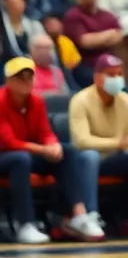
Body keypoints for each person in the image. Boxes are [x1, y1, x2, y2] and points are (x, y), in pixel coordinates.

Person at [0, 56, 101, 243]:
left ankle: (77, 215)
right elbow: (8, 142)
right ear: (8, 81)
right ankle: (25, 224)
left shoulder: (37, 101)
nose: (27, 82)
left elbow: (45, 132)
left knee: (66, 151)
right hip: (6, 156)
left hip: (30, 153)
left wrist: (52, 144)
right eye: (20, 77)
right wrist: (42, 149)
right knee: (20, 159)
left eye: (30, 77)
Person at [68, 53, 128, 239]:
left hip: (114, 159)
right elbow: (81, 141)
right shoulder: (80, 100)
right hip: (83, 163)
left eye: (119, 74)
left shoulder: (126, 100)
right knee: (90, 156)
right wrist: (120, 143)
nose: (117, 78)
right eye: (111, 74)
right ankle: (90, 217)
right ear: (97, 78)